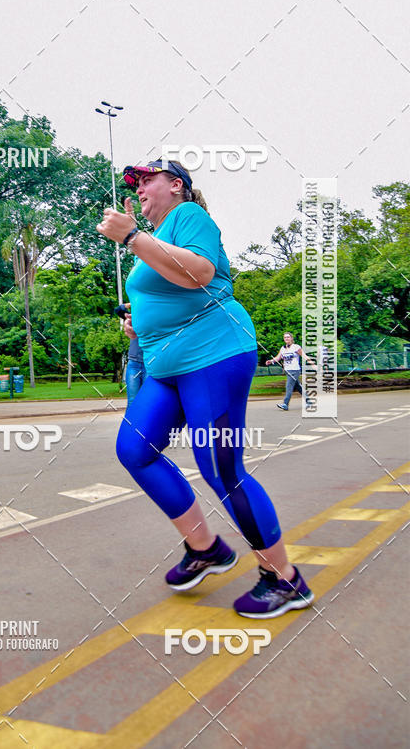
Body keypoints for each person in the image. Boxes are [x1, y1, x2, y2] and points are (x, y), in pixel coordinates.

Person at [96, 159, 314, 618]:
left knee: (219, 467)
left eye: (146, 180)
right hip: (166, 366)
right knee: (135, 450)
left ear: (176, 185)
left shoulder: (189, 216)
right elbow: (170, 296)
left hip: (213, 354)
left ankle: (285, 579)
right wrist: (139, 329)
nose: (137, 189)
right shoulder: (154, 241)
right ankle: (205, 547)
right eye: (134, 184)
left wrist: (133, 237)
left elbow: (196, 273)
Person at [266, 333, 316, 411]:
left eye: (288, 337)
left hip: (295, 370)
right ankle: (309, 401)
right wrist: (271, 361)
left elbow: (304, 356)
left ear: (291, 338)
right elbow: (278, 357)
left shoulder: (296, 347)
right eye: (285, 337)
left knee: (289, 386)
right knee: (298, 386)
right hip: (287, 370)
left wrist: (313, 364)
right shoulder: (283, 348)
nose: (286, 338)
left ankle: (285, 404)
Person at [125, 336, 146, 407]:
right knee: (132, 402)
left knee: (147, 400)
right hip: (133, 364)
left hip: (149, 363)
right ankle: (130, 418)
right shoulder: (132, 324)